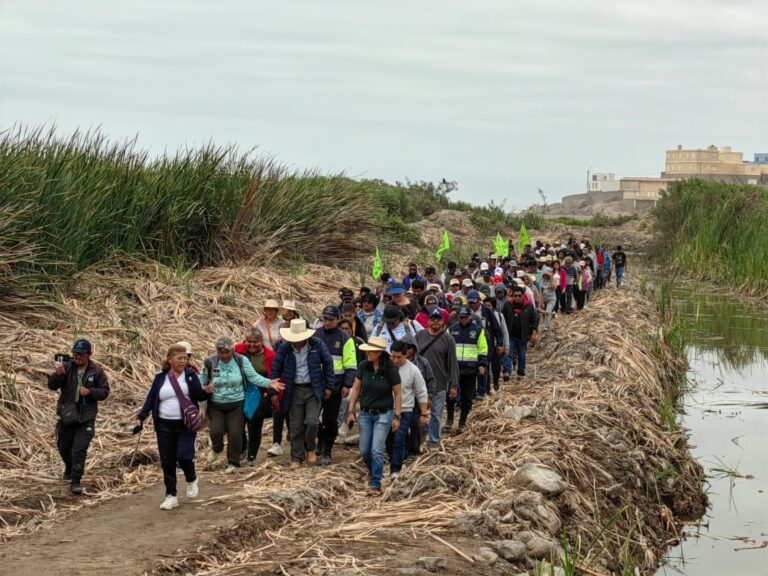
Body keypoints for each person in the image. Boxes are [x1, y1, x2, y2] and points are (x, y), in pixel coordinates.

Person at [135, 344, 211, 509]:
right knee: (167, 461)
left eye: (185, 358)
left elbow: (199, 395)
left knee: (184, 456)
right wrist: (141, 417)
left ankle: (191, 478)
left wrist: (207, 391)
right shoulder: (160, 378)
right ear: (170, 359)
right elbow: (151, 399)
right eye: (179, 358)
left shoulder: (191, 376)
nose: (183, 361)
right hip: (164, 425)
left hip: (186, 424)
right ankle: (171, 495)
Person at [199, 337, 282, 474]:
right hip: (216, 405)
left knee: (235, 433)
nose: (224, 355)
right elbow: (202, 380)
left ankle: (233, 462)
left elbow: (253, 377)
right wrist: (204, 389)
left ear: (232, 350)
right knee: (216, 431)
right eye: (221, 352)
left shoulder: (241, 361)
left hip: (237, 404)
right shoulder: (210, 362)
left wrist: (269, 383)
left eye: (227, 352)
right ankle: (217, 449)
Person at [47, 339, 110, 495]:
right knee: (63, 448)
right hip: (67, 416)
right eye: (75, 353)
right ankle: (69, 468)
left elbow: (105, 392)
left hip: (85, 417)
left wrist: (90, 392)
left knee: (79, 449)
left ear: (89, 354)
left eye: (81, 354)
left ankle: (76, 481)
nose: (78, 357)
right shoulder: (66, 367)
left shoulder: (97, 372)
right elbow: (52, 386)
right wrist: (58, 375)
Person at [271, 319, 335, 467]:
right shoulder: (284, 348)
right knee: (295, 426)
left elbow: (328, 363)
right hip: (293, 390)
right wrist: (273, 390)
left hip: (313, 388)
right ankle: (296, 457)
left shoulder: (317, 344)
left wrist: (328, 386)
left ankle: (310, 447)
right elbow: (276, 368)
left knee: (312, 422)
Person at [346, 336, 402, 492]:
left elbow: (398, 394)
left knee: (377, 449)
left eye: (370, 351)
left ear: (379, 353)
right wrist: (351, 411)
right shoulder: (363, 366)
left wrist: (397, 416)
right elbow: (356, 389)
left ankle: (376, 482)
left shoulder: (390, 369)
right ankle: (373, 469)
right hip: (365, 413)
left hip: (384, 414)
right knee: (364, 450)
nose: (367, 353)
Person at [315, 306, 357, 466]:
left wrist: (347, 384)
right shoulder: (316, 335)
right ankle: (320, 439)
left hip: (336, 385)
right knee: (312, 418)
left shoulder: (345, 339)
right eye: (325, 319)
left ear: (338, 319)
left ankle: (327, 451)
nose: (327, 322)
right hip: (317, 383)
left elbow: (351, 365)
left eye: (331, 319)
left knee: (330, 420)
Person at [415, 308, 459, 451]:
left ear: (443, 321)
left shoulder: (448, 339)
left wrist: (454, 385)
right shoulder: (420, 335)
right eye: (432, 319)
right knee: (418, 413)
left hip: (439, 383)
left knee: (436, 414)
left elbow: (452, 363)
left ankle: (434, 440)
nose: (435, 321)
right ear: (427, 321)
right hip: (420, 383)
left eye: (438, 319)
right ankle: (420, 436)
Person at [234, 330, 280, 463]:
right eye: (249, 342)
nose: (252, 345)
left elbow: (274, 374)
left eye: (255, 342)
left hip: (260, 395)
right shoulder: (238, 350)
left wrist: (273, 393)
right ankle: (243, 447)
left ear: (261, 342)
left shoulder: (270, 355)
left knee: (254, 425)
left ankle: (252, 456)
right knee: (237, 424)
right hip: (240, 393)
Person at [388, 341, 428, 477]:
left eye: (399, 357)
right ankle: (395, 459)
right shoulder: (386, 367)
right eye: (393, 356)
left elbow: (421, 392)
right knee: (388, 440)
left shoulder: (413, 370)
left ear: (406, 355)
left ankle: (395, 469)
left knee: (399, 439)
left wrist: (423, 413)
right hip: (387, 409)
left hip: (405, 410)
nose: (395, 360)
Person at [446, 306, 488, 432]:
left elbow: (482, 349)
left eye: (465, 317)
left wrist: (482, 364)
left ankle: (462, 422)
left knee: (467, 398)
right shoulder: (452, 330)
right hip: (455, 369)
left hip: (470, 370)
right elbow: (445, 348)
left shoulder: (478, 330)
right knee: (450, 395)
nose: (463, 320)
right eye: (461, 317)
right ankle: (449, 420)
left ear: (470, 317)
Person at [399, 335, 435, 460]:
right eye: (405, 348)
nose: (408, 351)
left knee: (416, 424)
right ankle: (402, 451)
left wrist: (430, 397)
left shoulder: (423, 362)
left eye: (410, 348)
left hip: (418, 400)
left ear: (414, 348)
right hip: (402, 399)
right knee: (401, 426)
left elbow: (431, 380)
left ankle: (414, 450)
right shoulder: (396, 362)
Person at [466, 290, 503, 399]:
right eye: (470, 303)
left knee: (484, 367)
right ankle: (474, 391)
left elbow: (496, 328)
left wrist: (500, 343)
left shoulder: (487, 311)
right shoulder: (465, 312)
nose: (472, 305)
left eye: (474, 302)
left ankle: (484, 389)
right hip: (470, 345)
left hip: (486, 344)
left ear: (479, 301)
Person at [508, 286, 539, 378]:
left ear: (523, 296)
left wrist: (534, 332)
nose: (517, 297)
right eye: (515, 296)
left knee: (522, 355)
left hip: (523, 336)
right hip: (511, 335)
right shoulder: (508, 305)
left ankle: (521, 372)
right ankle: (507, 370)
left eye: (519, 296)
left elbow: (534, 320)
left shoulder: (529, 306)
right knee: (509, 352)